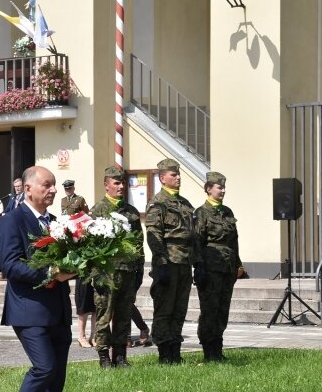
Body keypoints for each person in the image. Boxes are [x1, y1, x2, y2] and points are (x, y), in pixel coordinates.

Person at [0, 165, 76, 392]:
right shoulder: (11, 221)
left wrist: (77, 266)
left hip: (58, 310)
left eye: (54, 185)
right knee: (44, 368)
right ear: (28, 188)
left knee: (56, 378)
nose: (53, 189)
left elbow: (67, 262)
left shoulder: (55, 222)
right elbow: (11, 265)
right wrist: (51, 271)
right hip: (28, 310)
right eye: (47, 184)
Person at [146, 158, 201, 364]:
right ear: (162, 178)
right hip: (168, 262)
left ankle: (176, 350)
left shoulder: (185, 204)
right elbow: (154, 233)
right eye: (173, 175)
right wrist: (161, 263)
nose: (178, 178)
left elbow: (192, 236)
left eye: (178, 174)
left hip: (185, 263)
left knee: (180, 309)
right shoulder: (157, 203)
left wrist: (198, 262)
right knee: (164, 308)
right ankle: (164, 352)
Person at [89, 166, 144, 368]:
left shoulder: (131, 212)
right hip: (107, 273)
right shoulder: (97, 211)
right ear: (106, 185)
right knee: (104, 315)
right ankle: (104, 357)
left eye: (123, 183)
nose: (121, 187)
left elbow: (139, 242)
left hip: (128, 272)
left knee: (124, 315)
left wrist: (139, 269)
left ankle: (120, 356)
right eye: (116, 183)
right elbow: (90, 246)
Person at [194, 172, 241, 361]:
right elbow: (197, 242)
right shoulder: (201, 212)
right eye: (219, 187)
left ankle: (218, 348)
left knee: (223, 309)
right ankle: (208, 350)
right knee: (209, 310)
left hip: (227, 268)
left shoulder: (227, 212)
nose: (223, 190)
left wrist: (238, 264)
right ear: (208, 189)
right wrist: (199, 267)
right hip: (210, 267)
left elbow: (234, 240)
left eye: (223, 187)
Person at [61, 179, 94, 348]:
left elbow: (85, 216)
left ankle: (93, 335)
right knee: (82, 298)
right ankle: (81, 335)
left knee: (91, 300)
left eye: (70, 188)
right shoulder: (63, 201)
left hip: (80, 238)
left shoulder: (79, 200)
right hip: (71, 239)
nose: (68, 190)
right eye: (66, 188)